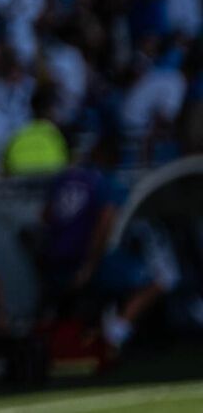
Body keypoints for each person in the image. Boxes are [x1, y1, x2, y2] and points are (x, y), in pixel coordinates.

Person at [38, 128, 170, 355]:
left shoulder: (63, 179)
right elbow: (104, 224)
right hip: (85, 263)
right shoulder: (104, 182)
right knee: (160, 279)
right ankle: (114, 335)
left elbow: (46, 217)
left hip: (55, 261)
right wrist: (88, 266)